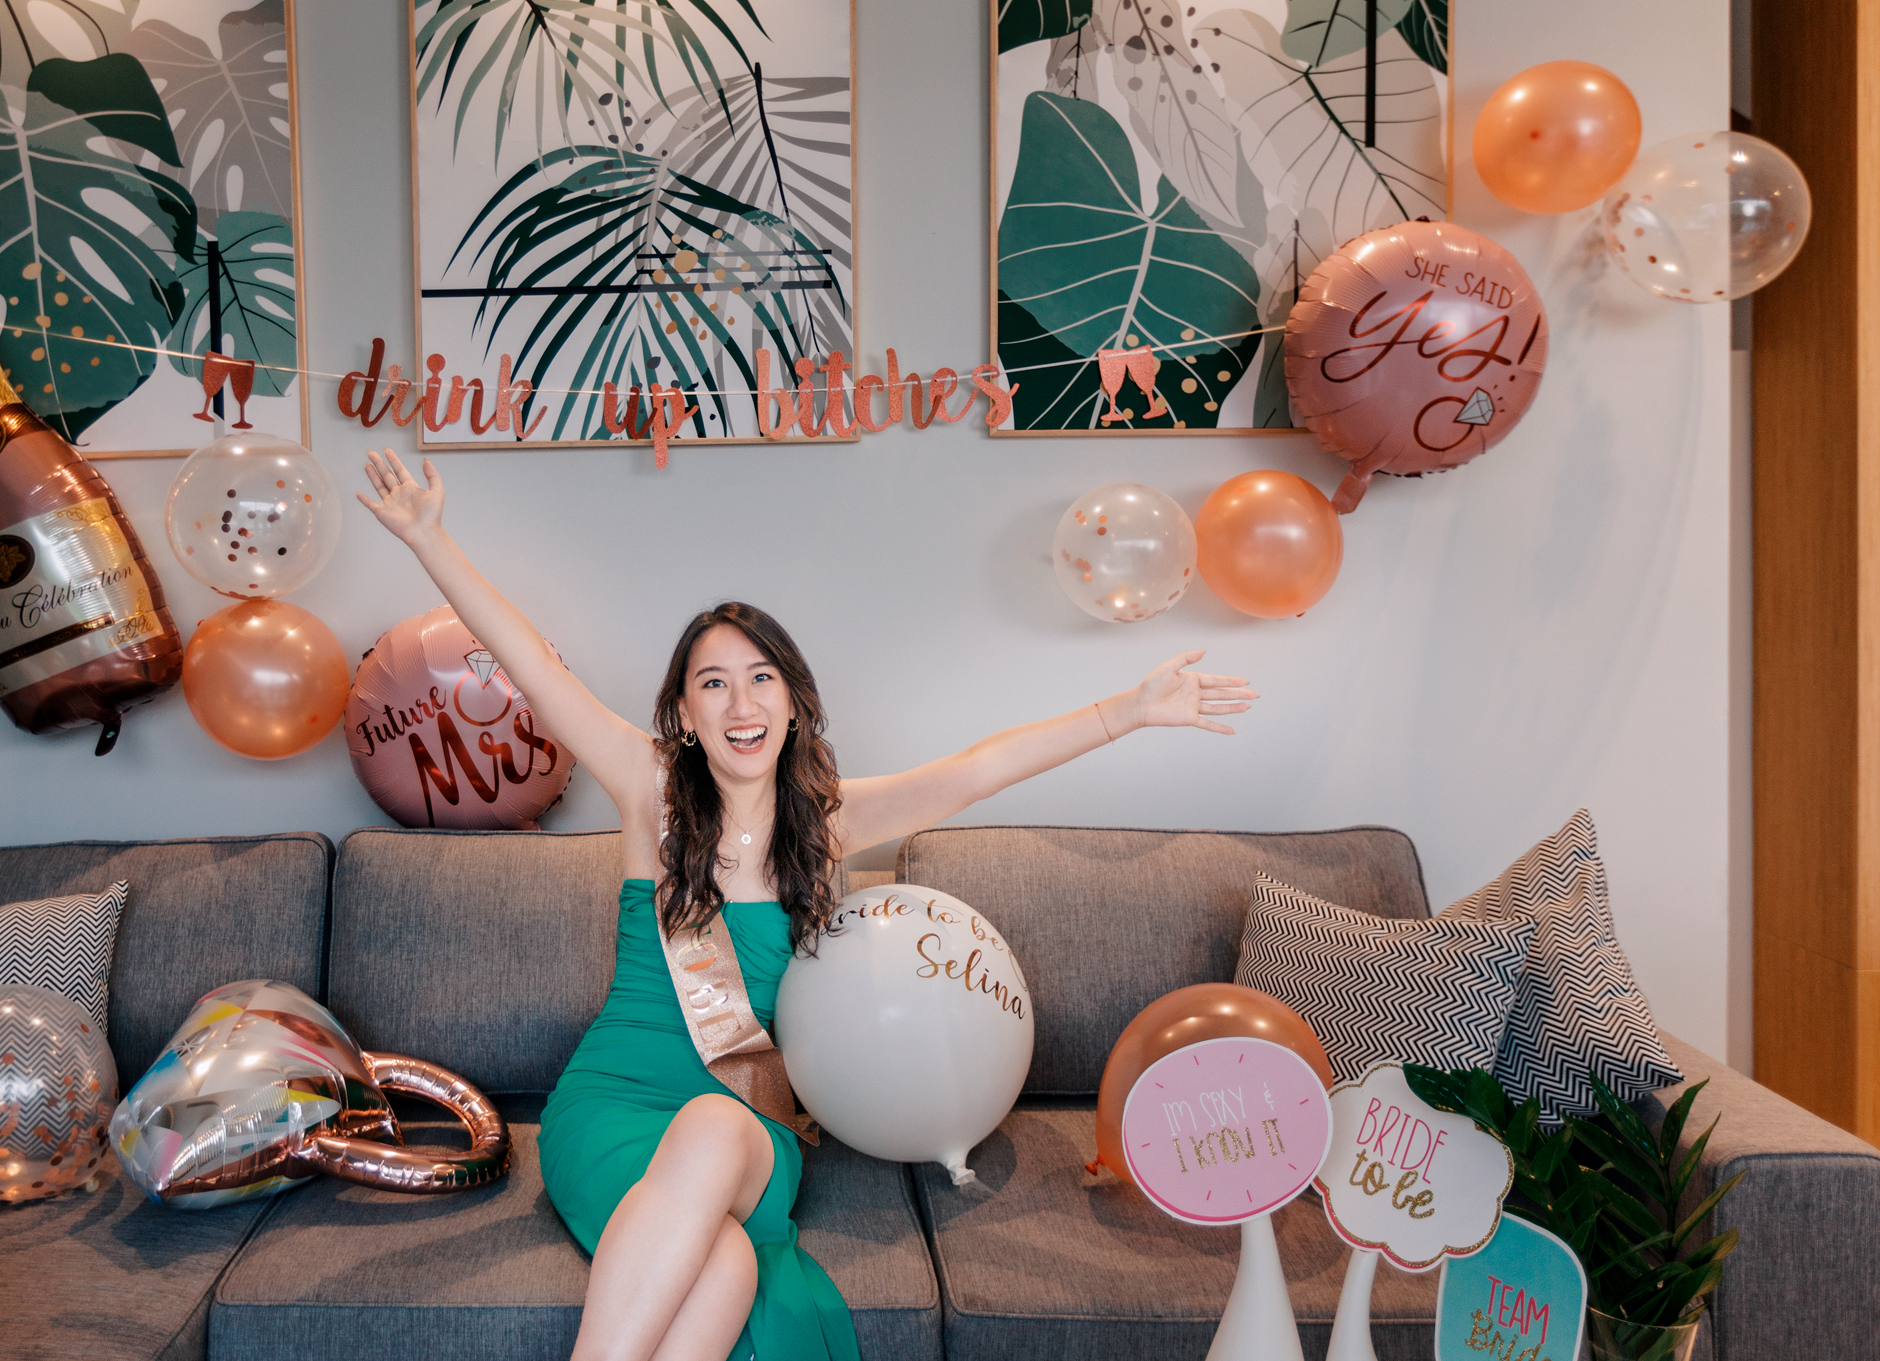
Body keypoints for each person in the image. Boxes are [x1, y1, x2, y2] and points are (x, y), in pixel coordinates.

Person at [357, 448, 1257, 1361]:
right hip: (612, 1103)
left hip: (746, 1121)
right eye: (713, 682)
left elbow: (979, 769)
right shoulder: (646, 785)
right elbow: (529, 663)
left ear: (791, 703)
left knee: (714, 1127)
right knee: (729, 1273)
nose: (739, 701)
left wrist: (1130, 710)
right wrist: (430, 537)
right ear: (684, 712)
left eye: (761, 678)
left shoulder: (831, 824)